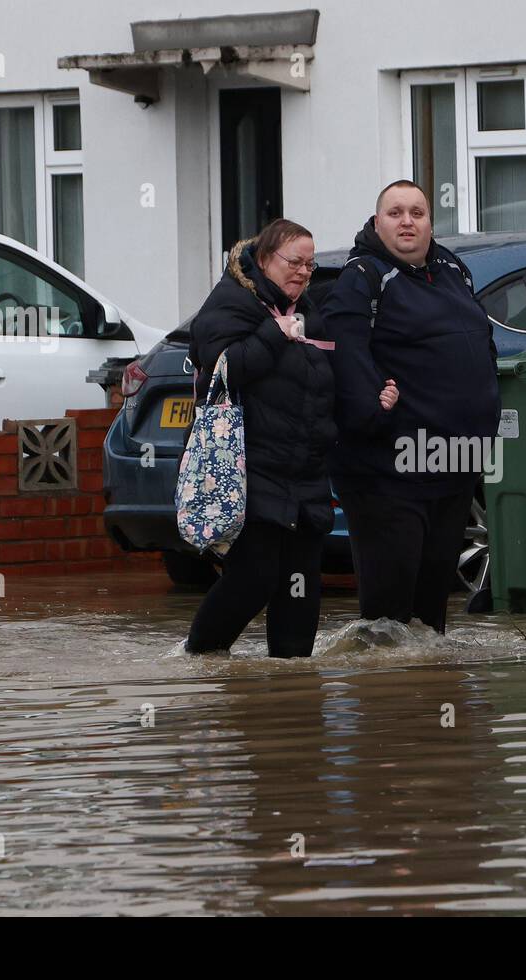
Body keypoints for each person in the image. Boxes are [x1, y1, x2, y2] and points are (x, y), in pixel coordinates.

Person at [323, 180, 501, 634]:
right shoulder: (361, 278)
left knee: (429, 621)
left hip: (453, 463)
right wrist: (375, 418)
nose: (407, 221)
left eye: (417, 212)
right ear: (377, 221)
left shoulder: (452, 269)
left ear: (430, 221)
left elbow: (481, 344)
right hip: (388, 471)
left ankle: (426, 696)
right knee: (388, 619)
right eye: (396, 212)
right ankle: (387, 702)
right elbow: (347, 356)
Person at [184, 219, 350, 657]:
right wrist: (274, 334)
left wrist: (375, 398)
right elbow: (227, 367)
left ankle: (292, 692)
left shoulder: (307, 311)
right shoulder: (230, 303)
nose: (302, 273)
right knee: (254, 577)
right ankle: (201, 659)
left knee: (301, 587)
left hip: (305, 471)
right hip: (249, 469)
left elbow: (326, 380)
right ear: (263, 259)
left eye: (310, 266)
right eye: (293, 262)